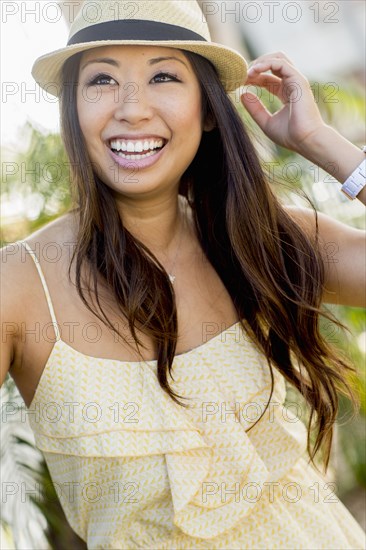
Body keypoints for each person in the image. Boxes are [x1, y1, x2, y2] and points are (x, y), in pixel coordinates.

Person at [1, 1, 365, 548]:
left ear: (210, 109)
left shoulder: (260, 240)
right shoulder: (20, 286)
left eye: (164, 76)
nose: (132, 109)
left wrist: (326, 146)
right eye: (101, 79)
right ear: (73, 108)